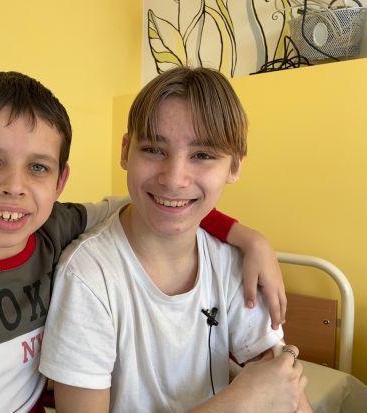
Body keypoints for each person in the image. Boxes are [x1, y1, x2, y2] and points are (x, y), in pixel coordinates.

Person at [0, 71, 285, 413]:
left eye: (38, 167)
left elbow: (161, 201)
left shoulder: (54, 228)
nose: (14, 187)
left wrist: (246, 237)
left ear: (60, 182)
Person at [39, 66, 312, 412]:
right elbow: (259, 394)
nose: (173, 179)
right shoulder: (88, 277)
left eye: (202, 155)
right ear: (125, 151)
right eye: (154, 149)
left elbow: (285, 389)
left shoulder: (232, 263)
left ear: (234, 167)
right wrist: (241, 401)